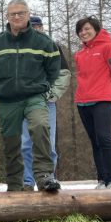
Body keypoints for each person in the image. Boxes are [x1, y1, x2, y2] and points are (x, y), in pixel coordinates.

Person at [0, 0, 61, 192]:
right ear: (6, 16)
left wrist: (41, 87)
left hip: (34, 97)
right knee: (11, 142)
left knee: (40, 126)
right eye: (12, 14)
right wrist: (2, 87)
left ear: (28, 14)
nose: (17, 17)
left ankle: (44, 176)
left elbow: (53, 69)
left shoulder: (44, 42)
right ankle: (15, 183)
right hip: (8, 100)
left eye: (21, 13)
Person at [74, 16, 111, 189]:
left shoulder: (109, 48)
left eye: (87, 28)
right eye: (80, 30)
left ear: (96, 29)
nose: (84, 32)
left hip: (103, 100)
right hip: (82, 102)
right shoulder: (79, 54)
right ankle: (102, 179)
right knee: (94, 141)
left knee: (104, 138)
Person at [21, 16, 70, 190]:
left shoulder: (52, 46)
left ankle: (48, 178)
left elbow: (64, 73)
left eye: (38, 26)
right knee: (25, 143)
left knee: (47, 142)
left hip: (45, 102)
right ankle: (27, 181)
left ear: (42, 28)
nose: (35, 30)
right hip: (23, 102)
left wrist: (53, 95)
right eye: (31, 27)